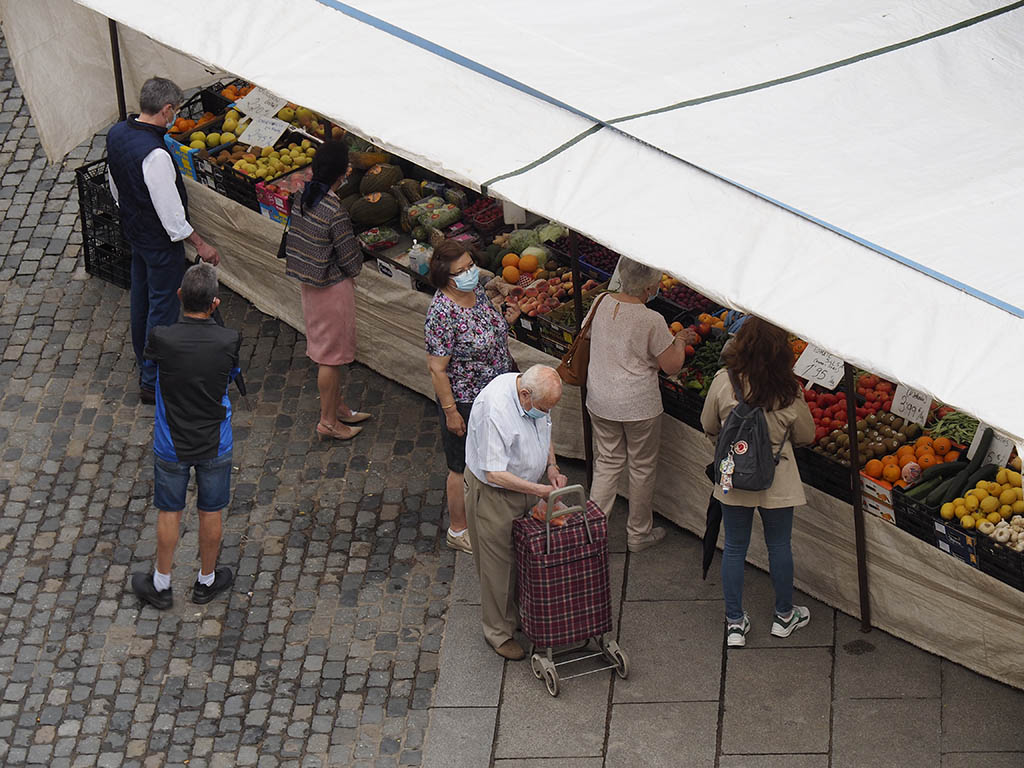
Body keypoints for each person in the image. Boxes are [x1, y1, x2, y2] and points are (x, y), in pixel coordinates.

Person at [699, 317, 815, 648]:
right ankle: (784, 616)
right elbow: (806, 436)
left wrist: (732, 456)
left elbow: (708, 424)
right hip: (778, 480)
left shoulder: (724, 381)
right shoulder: (788, 391)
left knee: (735, 547)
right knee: (779, 546)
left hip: (732, 478)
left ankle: (735, 624)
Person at [131, 263, 240, 609]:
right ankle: (206, 581)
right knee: (211, 511)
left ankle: (162, 583)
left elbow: (150, 366)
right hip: (214, 442)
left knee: (169, 511)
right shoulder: (228, 340)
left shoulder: (162, 338)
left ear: (179, 296)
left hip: (171, 442)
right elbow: (232, 373)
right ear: (215, 303)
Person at [106, 77, 220, 405]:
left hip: (135, 230)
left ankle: (144, 359)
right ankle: (152, 379)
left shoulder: (117, 134)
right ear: (167, 110)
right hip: (158, 241)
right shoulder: (155, 155)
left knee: (141, 297)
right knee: (163, 307)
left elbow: (115, 183)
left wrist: (130, 210)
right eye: (176, 111)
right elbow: (170, 214)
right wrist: (200, 244)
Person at [464, 365, 568, 660]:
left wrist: (551, 467)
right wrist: (540, 492)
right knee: (499, 565)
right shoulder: (494, 409)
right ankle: (498, 633)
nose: (546, 412)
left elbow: (544, 429)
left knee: (524, 556)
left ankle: (521, 615)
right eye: (543, 407)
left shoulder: (534, 394)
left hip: (526, 486)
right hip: (496, 494)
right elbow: (494, 473)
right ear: (525, 395)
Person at [585, 257, 686, 552]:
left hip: (600, 398)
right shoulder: (651, 319)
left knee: (607, 462)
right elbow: (671, 366)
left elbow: (589, 335)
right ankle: (638, 534)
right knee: (641, 467)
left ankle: (592, 534)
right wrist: (679, 341)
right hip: (638, 405)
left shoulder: (600, 302)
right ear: (651, 287)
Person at [425, 239, 519, 555]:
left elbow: (486, 332)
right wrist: (451, 412)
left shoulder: (475, 291)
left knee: (498, 452)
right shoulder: (442, 312)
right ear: (444, 277)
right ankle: (459, 528)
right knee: (461, 465)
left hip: (498, 390)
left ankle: (495, 512)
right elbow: (438, 369)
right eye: (461, 271)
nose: (469, 273)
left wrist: (506, 322)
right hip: (466, 399)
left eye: (470, 266)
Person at [285, 141, 369, 441]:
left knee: (327, 351)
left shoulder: (303, 196)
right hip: (332, 289)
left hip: (311, 286)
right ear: (340, 174)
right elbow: (351, 262)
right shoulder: (335, 211)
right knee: (331, 358)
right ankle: (329, 421)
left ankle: (339, 406)